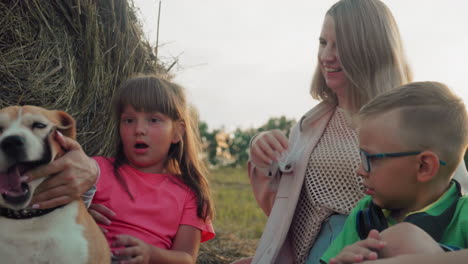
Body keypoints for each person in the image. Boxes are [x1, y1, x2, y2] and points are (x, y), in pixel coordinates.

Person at [242, 0, 468, 263]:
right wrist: (262, 154)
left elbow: (449, 187)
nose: (326, 56)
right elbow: (282, 209)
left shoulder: (408, 122)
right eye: (323, 43)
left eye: (341, 45)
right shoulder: (311, 124)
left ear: (371, 50)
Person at [321, 81, 468, 264]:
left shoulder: (463, 215)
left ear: (424, 167)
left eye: (370, 159)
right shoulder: (364, 213)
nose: (359, 170)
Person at [84, 75, 215, 263]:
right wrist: (80, 213)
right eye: (129, 120)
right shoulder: (96, 170)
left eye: (153, 120)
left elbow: (186, 258)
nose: (139, 129)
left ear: (177, 132)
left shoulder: (190, 193)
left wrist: (150, 254)